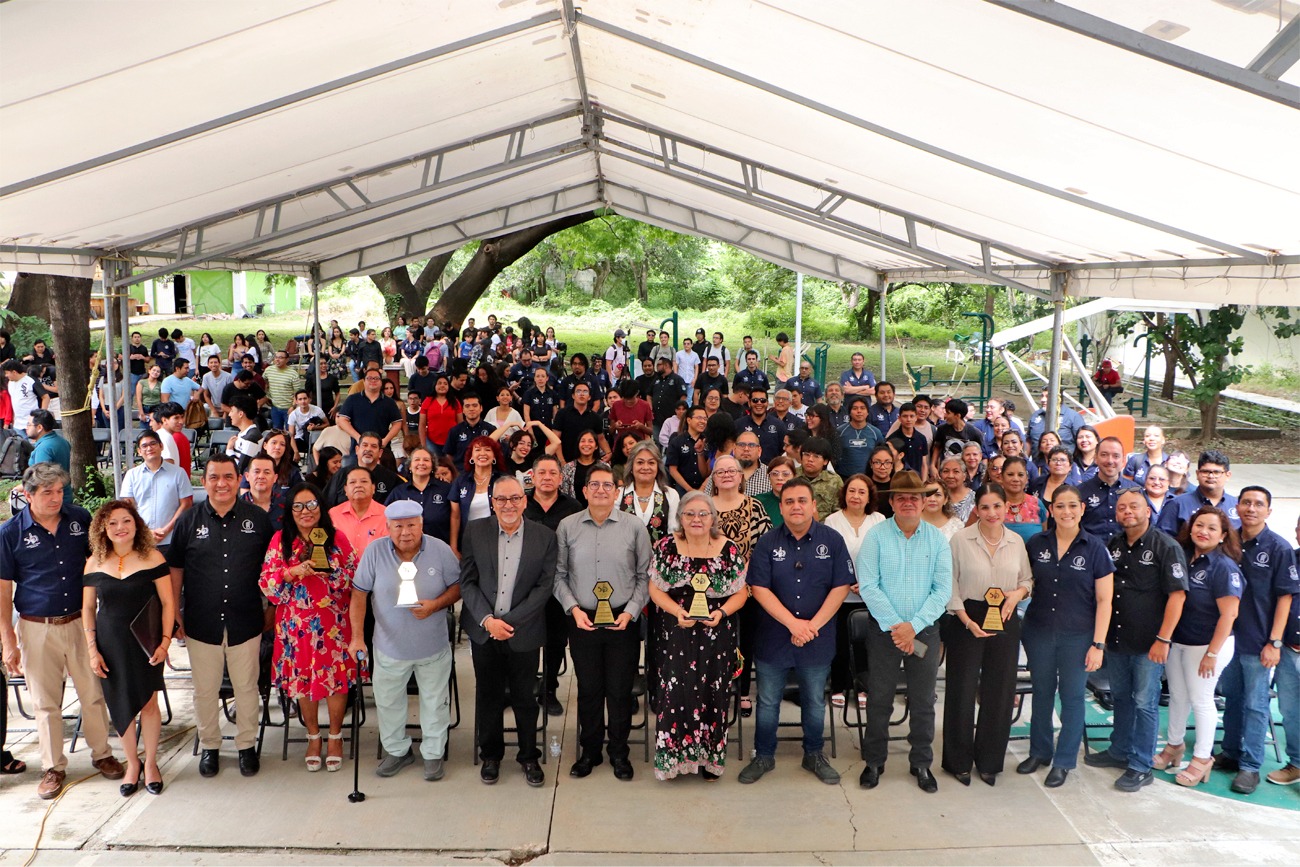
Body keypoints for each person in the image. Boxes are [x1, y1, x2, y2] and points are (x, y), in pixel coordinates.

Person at [0, 465, 126, 799]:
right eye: (47, 493)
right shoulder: (11, 532)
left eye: (59, 491)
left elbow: (100, 560)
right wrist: (7, 639)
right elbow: (3, 588)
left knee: (93, 693)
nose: (56, 498)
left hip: (80, 622)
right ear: (28, 495)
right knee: (44, 702)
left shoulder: (79, 519)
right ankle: (53, 767)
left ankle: (103, 754)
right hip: (35, 626)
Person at [739, 478, 853, 786]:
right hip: (773, 638)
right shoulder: (766, 543)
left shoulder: (832, 541)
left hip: (817, 638)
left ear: (814, 505)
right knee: (767, 701)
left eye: (802, 500)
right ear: (781, 507)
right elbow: (758, 588)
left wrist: (811, 627)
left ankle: (813, 754)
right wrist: (793, 624)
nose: (796, 507)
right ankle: (763, 754)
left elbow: (841, 586)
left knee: (815, 701)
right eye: (789, 502)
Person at [168, 454, 274, 778]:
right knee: (205, 689)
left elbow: (271, 569)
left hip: (246, 618)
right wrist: (175, 613)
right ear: (204, 481)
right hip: (201, 620)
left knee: (246, 687)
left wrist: (272, 608)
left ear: (239, 479)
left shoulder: (257, 519)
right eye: (214, 477)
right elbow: (175, 570)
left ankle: (246, 747)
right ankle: (210, 747)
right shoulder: (188, 520)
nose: (221, 483)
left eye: (228, 476)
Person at [345, 499, 461, 781]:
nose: (405, 532)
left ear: (421, 525)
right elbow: (359, 594)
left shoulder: (441, 550)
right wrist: (357, 638)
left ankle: (433, 754)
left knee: (435, 702)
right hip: (389, 646)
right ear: (388, 527)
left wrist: (435, 605)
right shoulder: (374, 552)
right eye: (398, 526)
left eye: (411, 525)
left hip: (432, 646)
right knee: (388, 702)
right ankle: (397, 750)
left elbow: (458, 587)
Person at [1082, 489, 1188, 792]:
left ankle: (1141, 764)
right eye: (1122, 507)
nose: (1127, 511)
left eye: (1134, 506)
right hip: (1117, 639)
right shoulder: (1113, 545)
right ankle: (1120, 750)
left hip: (1148, 644)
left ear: (1148, 511)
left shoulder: (1165, 546)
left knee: (1145, 703)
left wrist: (1163, 639)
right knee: (1122, 698)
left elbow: (1177, 597)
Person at [854, 470, 952, 793]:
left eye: (915, 497)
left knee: (923, 700)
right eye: (902, 497)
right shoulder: (876, 537)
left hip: (923, 633)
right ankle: (874, 760)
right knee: (879, 698)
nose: (908, 502)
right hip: (885, 633)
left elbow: (942, 591)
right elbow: (869, 586)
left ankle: (921, 762)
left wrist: (913, 627)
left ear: (925, 502)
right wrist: (897, 627)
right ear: (892, 502)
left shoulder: (937, 540)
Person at [553, 464, 652, 781]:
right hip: (582, 619)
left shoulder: (634, 527)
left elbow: (644, 576)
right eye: (593, 484)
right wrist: (572, 609)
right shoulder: (567, 527)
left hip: (623, 619)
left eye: (606, 485)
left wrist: (631, 611)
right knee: (589, 689)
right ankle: (590, 751)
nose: (599, 490)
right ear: (583, 491)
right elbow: (558, 575)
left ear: (617, 490)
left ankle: (619, 754)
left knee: (620, 690)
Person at [1016, 485, 1114, 788]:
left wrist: (1098, 644)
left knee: (1072, 698)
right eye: (1060, 506)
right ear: (1051, 509)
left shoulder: (1095, 548)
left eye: (1073, 506)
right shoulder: (1036, 544)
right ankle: (1040, 751)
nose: (1067, 512)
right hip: (1039, 631)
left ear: (1082, 508)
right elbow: (1024, 581)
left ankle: (1063, 761)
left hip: (1078, 636)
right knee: (1042, 693)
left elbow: (1104, 601)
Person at [459, 477, 554, 786]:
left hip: (523, 632)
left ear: (525, 501)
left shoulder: (545, 537)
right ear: (492, 502)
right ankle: (491, 756)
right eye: (501, 499)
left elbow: (544, 588)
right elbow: (468, 582)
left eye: (514, 498)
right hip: (484, 631)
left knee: (526, 697)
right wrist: (488, 620)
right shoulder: (475, 531)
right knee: (488, 696)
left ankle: (529, 756)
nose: (508, 505)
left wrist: (509, 622)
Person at [646, 492, 747, 781]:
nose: (696, 519)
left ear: (714, 518)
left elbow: (741, 591)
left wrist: (723, 613)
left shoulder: (728, 549)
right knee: (675, 695)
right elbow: (654, 588)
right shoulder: (666, 546)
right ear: (679, 518)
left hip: (717, 634)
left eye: (703, 514)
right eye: (689, 514)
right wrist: (676, 611)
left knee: (713, 695)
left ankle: (708, 761)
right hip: (676, 633)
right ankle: (676, 761)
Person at [261, 483, 358, 773]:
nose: (306, 512)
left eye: (312, 505)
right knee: (303, 680)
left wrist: (332, 567)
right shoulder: (281, 540)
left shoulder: (336, 537)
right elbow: (267, 583)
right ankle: (313, 736)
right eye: (299, 506)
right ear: (290, 511)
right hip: (296, 625)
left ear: (321, 507)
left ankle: (336, 736)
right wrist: (290, 573)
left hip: (333, 622)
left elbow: (356, 577)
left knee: (335, 679)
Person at [82, 500, 175, 797]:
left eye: (126, 521)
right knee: (120, 704)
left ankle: (150, 764)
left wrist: (165, 641)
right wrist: (92, 649)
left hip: (145, 642)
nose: (120, 528)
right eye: (112, 523)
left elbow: (168, 603)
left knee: (148, 703)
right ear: (103, 529)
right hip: (110, 643)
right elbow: (87, 608)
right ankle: (132, 764)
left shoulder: (153, 557)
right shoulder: (94, 561)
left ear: (136, 524)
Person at [943, 483, 1032, 786]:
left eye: (997, 506)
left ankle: (990, 760)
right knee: (962, 690)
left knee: (1000, 690)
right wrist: (967, 620)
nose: (991, 513)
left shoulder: (1017, 541)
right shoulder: (960, 540)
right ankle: (958, 760)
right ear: (976, 510)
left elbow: (1028, 579)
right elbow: (949, 584)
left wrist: (1017, 594)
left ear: (1006, 507)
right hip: (966, 618)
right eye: (985, 507)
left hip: (1005, 617)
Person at [1215, 485, 1297, 794]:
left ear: (1268, 511)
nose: (1251, 508)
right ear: (1238, 507)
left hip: (1258, 641)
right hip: (1228, 639)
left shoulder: (1278, 548)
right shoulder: (1229, 541)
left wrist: (1274, 642)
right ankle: (1231, 752)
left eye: (1258, 504)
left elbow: (1286, 597)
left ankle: (1250, 766)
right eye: (1246, 502)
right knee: (1232, 698)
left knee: (1255, 704)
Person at [1153, 506, 1242, 787]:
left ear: (1223, 535)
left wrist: (1212, 654)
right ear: (1190, 528)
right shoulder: (1183, 558)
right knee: (1178, 696)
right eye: (1199, 525)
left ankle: (1203, 758)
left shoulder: (1224, 566)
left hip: (1206, 647)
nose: (1203, 531)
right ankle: (1174, 746)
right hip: (1179, 641)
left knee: (1201, 700)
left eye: (1212, 528)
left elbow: (1229, 615)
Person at [525, 453, 584, 717]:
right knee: (523, 641)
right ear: (533, 476)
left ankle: (548, 690)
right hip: (524, 585)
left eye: (553, 473)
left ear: (561, 478)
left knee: (556, 641)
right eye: (542, 473)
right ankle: (521, 688)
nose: (547, 478)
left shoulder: (573, 507)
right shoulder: (521, 504)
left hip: (560, 585)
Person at [824, 475, 885, 709]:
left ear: (869, 496)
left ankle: (863, 687)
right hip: (840, 593)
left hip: (871, 594)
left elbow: (885, 556)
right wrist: (847, 582)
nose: (856, 496)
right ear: (844, 494)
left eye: (861, 492)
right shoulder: (832, 520)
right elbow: (828, 558)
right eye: (852, 491)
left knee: (867, 643)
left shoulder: (879, 520)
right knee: (840, 643)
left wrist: (868, 583)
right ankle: (838, 686)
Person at [120, 430, 193, 551]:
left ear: (161, 446)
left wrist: (166, 530)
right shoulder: (131, 475)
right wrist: (146, 531)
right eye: (144, 446)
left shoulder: (178, 473)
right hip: (141, 538)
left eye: (153, 444)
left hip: (172, 538)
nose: (149, 448)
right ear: (139, 451)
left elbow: (186, 504)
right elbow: (128, 507)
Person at [1158, 450, 1240, 536]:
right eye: (1205, 472)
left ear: (1228, 475)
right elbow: (1163, 541)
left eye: (1217, 472)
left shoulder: (1236, 506)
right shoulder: (1177, 504)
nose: (1211, 476)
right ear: (1197, 474)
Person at [1075, 437, 1138, 542]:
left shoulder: (1136, 491)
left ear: (1123, 460)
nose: (1110, 461)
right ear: (1096, 458)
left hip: (1125, 554)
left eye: (1116, 456)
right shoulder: (1080, 492)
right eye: (1104, 455)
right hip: (1091, 554)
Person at [322, 432, 402, 509]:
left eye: (373, 446)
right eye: (365, 445)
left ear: (380, 453)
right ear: (357, 450)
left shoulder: (391, 479)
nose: (368, 449)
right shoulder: (341, 475)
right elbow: (325, 504)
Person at [337, 367, 403, 456]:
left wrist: (386, 440)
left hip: (382, 449)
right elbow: (342, 420)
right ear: (364, 381)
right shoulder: (352, 399)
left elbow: (397, 423)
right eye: (369, 378)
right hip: (358, 449)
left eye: (376, 378)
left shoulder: (389, 402)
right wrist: (358, 437)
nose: (373, 381)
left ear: (380, 382)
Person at [837, 396, 883, 478]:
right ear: (850, 412)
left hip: (868, 477)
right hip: (844, 477)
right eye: (855, 408)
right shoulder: (840, 431)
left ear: (868, 412)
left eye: (862, 408)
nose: (859, 411)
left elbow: (881, 454)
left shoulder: (876, 433)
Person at [799, 437, 842, 521]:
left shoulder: (834, 481)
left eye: (816, 456)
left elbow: (839, 511)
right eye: (806, 454)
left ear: (825, 461)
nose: (810, 459)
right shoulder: (792, 476)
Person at [3, 359, 48, 430]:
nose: (5, 375)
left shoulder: (31, 380)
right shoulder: (10, 383)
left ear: (14, 372)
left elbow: (45, 397)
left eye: (7, 373)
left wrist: (41, 417)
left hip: (32, 424)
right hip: (17, 425)